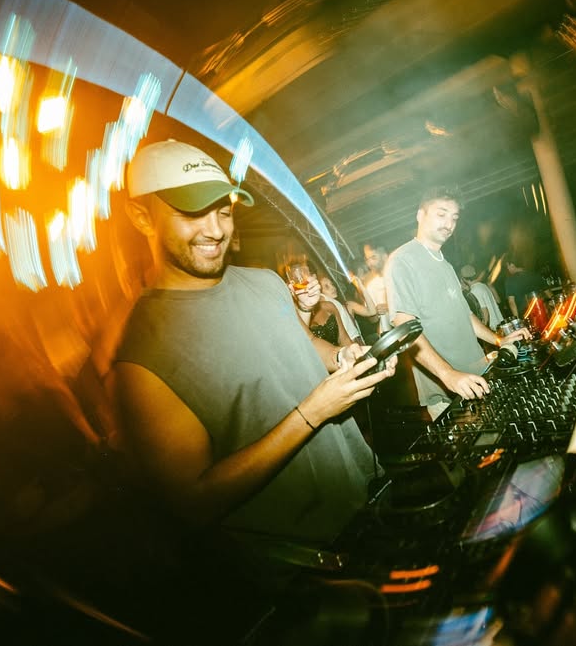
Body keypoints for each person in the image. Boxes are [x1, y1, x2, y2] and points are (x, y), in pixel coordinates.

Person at [111, 140, 395, 553]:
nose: (215, 230)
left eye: (223, 211)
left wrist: (341, 357)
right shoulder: (142, 352)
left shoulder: (264, 281)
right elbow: (194, 501)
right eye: (192, 213)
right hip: (305, 555)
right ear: (141, 217)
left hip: (369, 493)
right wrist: (312, 413)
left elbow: (303, 343)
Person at [384, 187, 530, 410]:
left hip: (477, 375)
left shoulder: (447, 265)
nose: (449, 223)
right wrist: (448, 374)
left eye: (454, 217)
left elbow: (466, 315)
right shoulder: (402, 260)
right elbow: (404, 327)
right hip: (446, 390)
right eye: (441, 214)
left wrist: (499, 340)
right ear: (420, 215)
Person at [319, 273, 364, 346]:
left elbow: (372, 312)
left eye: (332, 284)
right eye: (327, 287)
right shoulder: (325, 309)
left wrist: (361, 286)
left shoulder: (345, 306)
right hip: (349, 346)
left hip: (358, 343)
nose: (333, 288)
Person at [460, 264, 504, 329]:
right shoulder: (483, 286)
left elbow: (485, 313)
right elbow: (498, 301)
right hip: (499, 322)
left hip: (492, 327)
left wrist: (485, 329)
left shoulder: (474, 291)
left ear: (463, 279)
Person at [361, 243, 391, 336]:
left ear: (385, 257)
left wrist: (390, 306)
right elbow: (372, 320)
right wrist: (375, 312)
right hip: (389, 334)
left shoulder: (399, 276)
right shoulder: (371, 286)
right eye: (367, 259)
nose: (369, 263)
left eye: (373, 257)